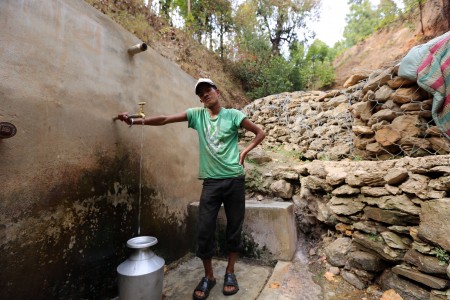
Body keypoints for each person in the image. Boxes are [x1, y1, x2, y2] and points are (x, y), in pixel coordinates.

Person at [117, 78, 265, 300]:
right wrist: (135, 122)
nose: (205, 95)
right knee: (204, 230)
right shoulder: (197, 115)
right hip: (211, 183)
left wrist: (244, 153)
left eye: (208, 90)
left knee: (234, 227)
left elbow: (260, 133)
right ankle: (209, 276)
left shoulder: (234, 115)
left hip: (234, 180)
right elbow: (166, 119)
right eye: (201, 93)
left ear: (217, 91)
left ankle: (230, 272)